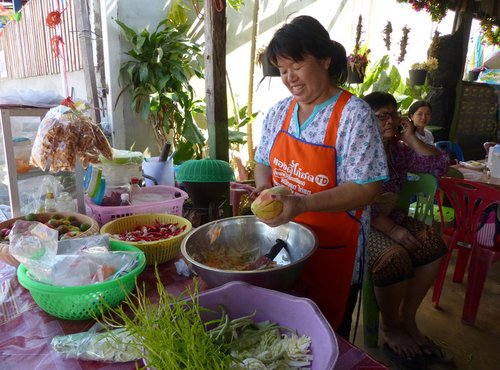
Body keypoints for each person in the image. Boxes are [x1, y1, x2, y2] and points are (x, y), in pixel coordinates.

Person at [252, 15, 388, 337]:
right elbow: (262, 161)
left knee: (327, 336)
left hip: (335, 251)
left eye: (296, 66)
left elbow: (367, 187)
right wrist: (263, 191)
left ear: (325, 60)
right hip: (283, 247)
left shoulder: (353, 116)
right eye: (283, 70)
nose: (290, 78)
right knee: (283, 334)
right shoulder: (279, 112)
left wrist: (302, 204)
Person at [363, 92, 453, 367]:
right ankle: (390, 328)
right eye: (381, 116)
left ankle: (408, 320)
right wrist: (393, 230)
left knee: (433, 244)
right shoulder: (359, 150)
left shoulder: (397, 150)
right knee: (394, 256)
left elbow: (440, 164)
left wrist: (412, 138)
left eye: (393, 114)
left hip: (393, 216)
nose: (390, 121)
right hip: (364, 224)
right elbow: (362, 203)